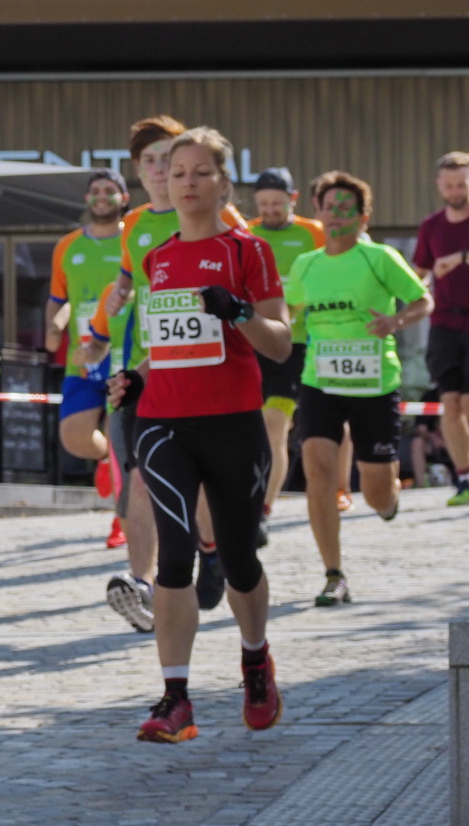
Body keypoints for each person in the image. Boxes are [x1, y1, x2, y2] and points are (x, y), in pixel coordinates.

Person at [109, 126, 290, 743]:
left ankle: (255, 658)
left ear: (223, 182)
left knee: (240, 562)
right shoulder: (156, 258)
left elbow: (281, 341)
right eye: (177, 172)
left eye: (200, 172)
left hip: (234, 422)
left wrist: (237, 311)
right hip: (165, 423)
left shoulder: (248, 252)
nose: (186, 182)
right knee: (177, 553)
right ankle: (175, 698)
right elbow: (164, 349)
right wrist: (133, 380)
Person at [83, 115, 245, 631]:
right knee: (138, 475)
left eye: (166, 161)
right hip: (145, 368)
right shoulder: (133, 227)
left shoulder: (221, 217)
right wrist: (103, 333)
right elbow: (128, 284)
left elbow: (244, 281)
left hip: (207, 369)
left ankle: (214, 547)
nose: (158, 170)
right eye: (149, 162)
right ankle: (142, 587)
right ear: (139, 171)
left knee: (195, 481)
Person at [286, 171, 432, 606]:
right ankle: (334, 573)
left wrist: (396, 321)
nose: (335, 216)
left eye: (345, 209)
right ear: (318, 213)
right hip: (320, 382)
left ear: (363, 217)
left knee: (376, 493)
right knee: (318, 469)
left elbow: (424, 300)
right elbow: (285, 308)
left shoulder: (381, 258)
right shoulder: (306, 264)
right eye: (328, 208)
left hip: (374, 384)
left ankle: (389, 500)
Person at [46, 168, 129, 550]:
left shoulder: (135, 240)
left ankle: (121, 521)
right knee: (75, 438)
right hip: (83, 357)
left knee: (120, 436)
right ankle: (107, 462)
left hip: (126, 354)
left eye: (110, 191)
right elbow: (59, 301)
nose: (101, 196)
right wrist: (54, 328)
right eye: (96, 190)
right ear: (86, 199)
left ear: (123, 199)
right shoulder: (68, 246)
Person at [414, 151, 469, 506]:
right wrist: (397, 306)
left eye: (461, 184)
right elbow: (418, 273)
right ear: (439, 185)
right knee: (449, 404)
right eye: (448, 185)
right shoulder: (431, 226)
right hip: (444, 323)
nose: (454, 190)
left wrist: (462, 257)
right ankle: (466, 479)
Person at [247, 167, 327, 540]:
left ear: (292, 200)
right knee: (247, 429)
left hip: (295, 345)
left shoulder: (313, 232)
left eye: (277, 204)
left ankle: (263, 510)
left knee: (274, 426)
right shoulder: (246, 232)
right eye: (263, 204)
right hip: (250, 341)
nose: (270, 211)